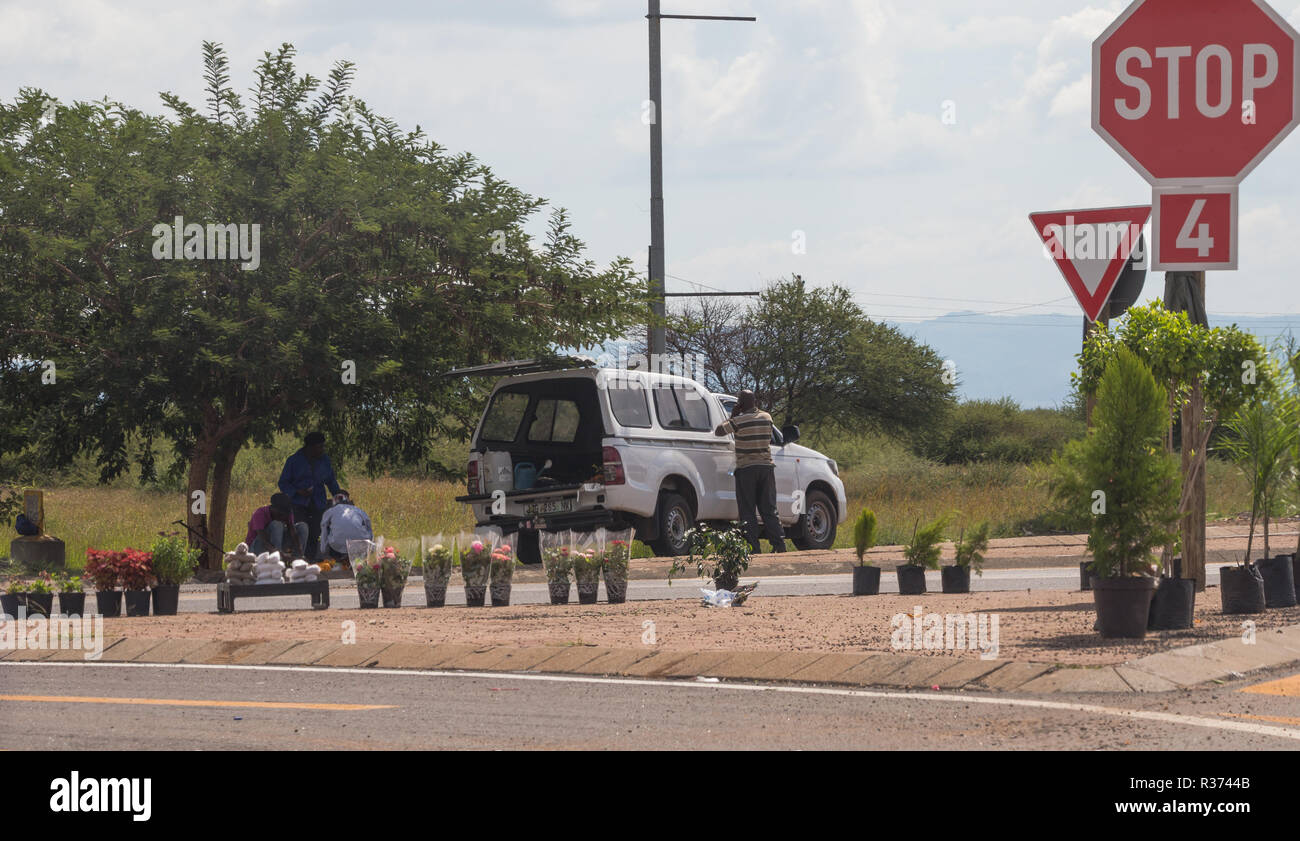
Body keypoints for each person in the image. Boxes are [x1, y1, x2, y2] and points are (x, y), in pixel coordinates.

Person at [714, 390, 787, 554]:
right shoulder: (767, 417)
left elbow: (719, 431)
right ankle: (779, 546)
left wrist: (732, 415)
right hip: (766, 468)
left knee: (747, 511)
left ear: (740, 403)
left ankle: (753, 548)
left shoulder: (738, 421)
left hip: (746, 469)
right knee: (769, 509)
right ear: (755, 401)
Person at [278, 431, 341, 561]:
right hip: (298, 504)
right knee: (301, 531)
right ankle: (298, 561)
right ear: (310, 447)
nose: (322, 449)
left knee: (315, 533)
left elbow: (330, 480)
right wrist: (297, 491)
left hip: (318, 502)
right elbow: (283, 483)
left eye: (323, 446)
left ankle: (310, 562)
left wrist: (338, 493)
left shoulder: (325, 460)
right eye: (320, 447)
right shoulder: (294, 461)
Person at [318, 492, 373, 566]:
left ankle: (338, 559)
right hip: (360, 546)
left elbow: (323, 528)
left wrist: (323, 550)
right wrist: (370, 546)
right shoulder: (358, 510)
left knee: (328, 529)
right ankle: (352, 560)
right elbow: (369, 527)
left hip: (337, 546)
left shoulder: (330, 511)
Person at [246, 493, 308, 557]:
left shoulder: (287, 513)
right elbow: (264, 540)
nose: (283, 517)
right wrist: (278, 553)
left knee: (303, 526)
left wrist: (299, 549)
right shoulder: (259, 513)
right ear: (273, 508)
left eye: (285, 514)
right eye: (281, 514)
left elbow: (293, 532)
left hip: (277, 547)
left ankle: (298, 559)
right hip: (257, 547)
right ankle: (277, 559)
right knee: (277, 524)